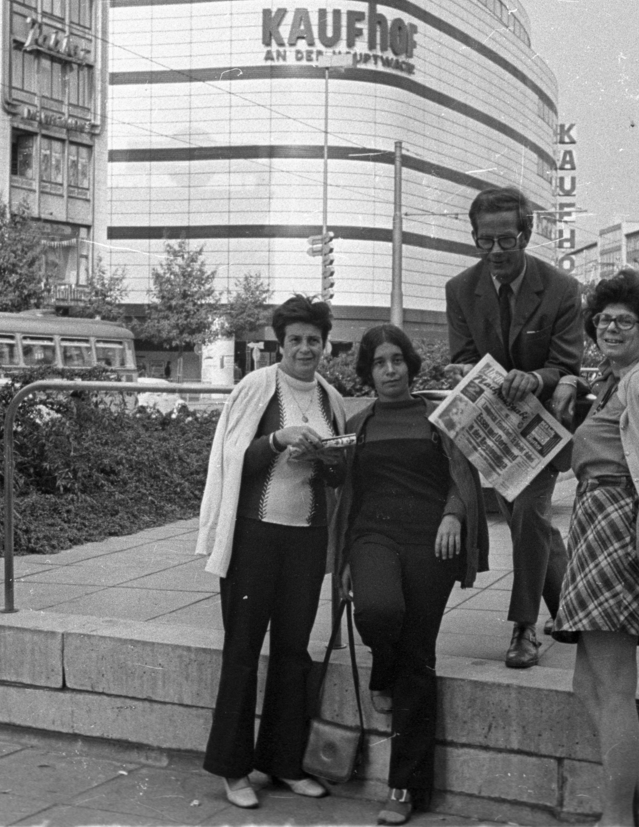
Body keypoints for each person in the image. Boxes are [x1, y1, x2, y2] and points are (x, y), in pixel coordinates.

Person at [552, 270, 639, 827]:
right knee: (590, 684)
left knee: (612, 689)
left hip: (618, 532)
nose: (610, 327)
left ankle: (616, 819)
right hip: (595, 523)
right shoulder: (619, 380)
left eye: (624, 321)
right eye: (603, 319)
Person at [197, 295, 347, 810]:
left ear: (324, 345)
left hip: (305, 540)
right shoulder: (256, 388)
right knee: (241, 650)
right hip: (253, 538)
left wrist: (326, 457)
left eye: (313, 340)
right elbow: (232, 459)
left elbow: (339, 476)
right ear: (279, 345)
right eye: (295, 340)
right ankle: (232, 769)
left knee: (293, 651)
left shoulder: (331, 396)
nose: (305, 348)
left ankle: (283, 763)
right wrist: (279, 440)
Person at [334, 325, 487, 825]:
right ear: (368, 372)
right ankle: (382, 666)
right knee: (378, 610)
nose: (390, 370)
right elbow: (340, 486)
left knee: (418, 655)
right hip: (373, 534)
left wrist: (452, 515)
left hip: (432, 538)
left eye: (397, 360)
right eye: (379, 362)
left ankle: (403, 788)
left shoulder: (438, 420)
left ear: (411, 365)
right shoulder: (358, 424)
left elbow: (464, 477)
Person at [444, 186, 582, 669]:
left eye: (507, 240)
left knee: (526, 515)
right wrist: (464, 372)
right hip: (489, 429)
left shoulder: (562, 288)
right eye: (486, 241)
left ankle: (524, 627)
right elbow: (461, 357)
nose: (497, 252)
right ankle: (570, 608)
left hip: (541, 423)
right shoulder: (460, 289)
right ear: (475, 238)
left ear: (526, 233)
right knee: (535, 523)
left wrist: (537, 377)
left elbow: (566, 361)